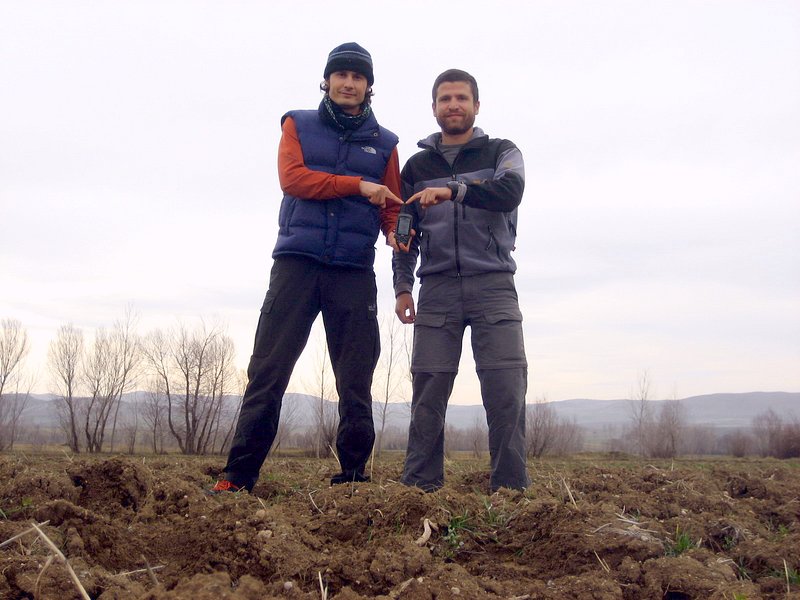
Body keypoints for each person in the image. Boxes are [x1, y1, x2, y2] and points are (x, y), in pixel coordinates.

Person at [212, 42, 402, 493]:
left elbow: (390, 205)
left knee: (355, 377)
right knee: (268, 370)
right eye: (342, 75)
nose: (349, 83)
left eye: (358, 77)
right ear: (327, 80)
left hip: (353, 270)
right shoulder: (297, 123)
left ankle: (353, 478)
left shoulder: (387, 144)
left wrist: (396, 233)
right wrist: (358, 185)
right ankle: (239, 476)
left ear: (369, 86)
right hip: (297, 264)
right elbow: (293, 179)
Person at [392, 68, 529, 492]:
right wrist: (402, 286)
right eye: (445, 99)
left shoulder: (503, 152)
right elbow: (403, 232)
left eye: (461, 98)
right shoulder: (416, 166)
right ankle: (419, 491)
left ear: (476, 105)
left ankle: (509, 492)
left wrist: (455, 190)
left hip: (494, 286)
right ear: (434, 108)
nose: (453, 105)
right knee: (428, 393)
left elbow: (511, 191)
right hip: (437, 291)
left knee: (505, 391)